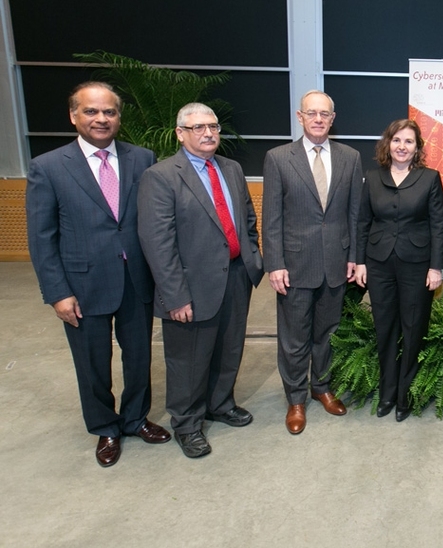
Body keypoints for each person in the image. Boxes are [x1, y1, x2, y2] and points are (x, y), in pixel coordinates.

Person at [26, 81, 170, 467]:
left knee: (139, 357)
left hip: (136, 279)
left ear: (119, 117)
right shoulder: (49, 167)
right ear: (74, 116)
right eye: (91, 111)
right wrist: (56, 292)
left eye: (109, 111)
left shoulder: (142, 158)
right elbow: (41, 238)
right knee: (93, 362)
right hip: (81, 284)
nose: (101, 119)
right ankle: (105, 427)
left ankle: (136, 417)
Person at [138, 103, 264, 458]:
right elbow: (157, 242)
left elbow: (248, 218)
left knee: (229, 349)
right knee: (188, 361)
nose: (208, 133)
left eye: (212, 126)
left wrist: (252, 256)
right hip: (190, 288)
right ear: (180, 133)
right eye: (197, 128)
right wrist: (175, 296)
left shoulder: (232, 168)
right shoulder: (161, 176)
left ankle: (220, 404)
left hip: (236, 276)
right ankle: (188, 424)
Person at [263, 90, 362, 434]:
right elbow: (271, 216)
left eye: (325, 114)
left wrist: (354, 257)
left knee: (327, 332)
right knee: (294, 337)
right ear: (299, 116)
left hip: (336, 263)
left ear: (333, 119)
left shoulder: (350, 157)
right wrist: (274, 263)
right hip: (294, 265)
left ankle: (321, 387)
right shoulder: (278, 158)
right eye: (312, 113)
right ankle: (295, 398)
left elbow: (354, 213)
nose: (318, 119)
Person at [354, 119, 443, 421]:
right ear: (387, 144)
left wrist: (436, 267)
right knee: (385, 328)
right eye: (396, 140)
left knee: (413, 328)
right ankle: (387, 393)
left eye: (409, 141)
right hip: (378, 264)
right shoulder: (372, 177)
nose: (402, 147)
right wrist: (361, 262)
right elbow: (362, 222)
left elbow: (438, 225)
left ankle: (405, 394)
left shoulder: (429, 178)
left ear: (417, 147)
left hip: (417, 266)